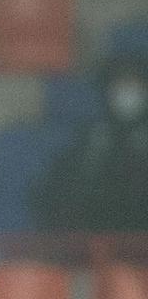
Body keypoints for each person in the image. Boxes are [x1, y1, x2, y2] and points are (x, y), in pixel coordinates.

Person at [32, 54, 148, 233]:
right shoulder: (91, 139)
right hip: (92, 241)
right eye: (120, 85)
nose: (127, 92)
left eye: (134, 84)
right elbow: (61, 192)